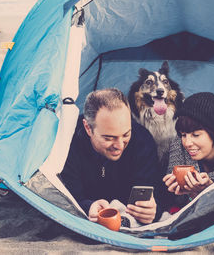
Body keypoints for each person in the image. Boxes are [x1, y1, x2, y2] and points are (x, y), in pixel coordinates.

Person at [60, 88, 162, 225]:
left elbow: (155, 194)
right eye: (109, 138)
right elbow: (64, 199)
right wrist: (88, 206)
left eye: (126, 135)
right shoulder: (66, 142)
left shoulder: (143, 141)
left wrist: (152, 212)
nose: (119, 145)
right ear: (88, 128)